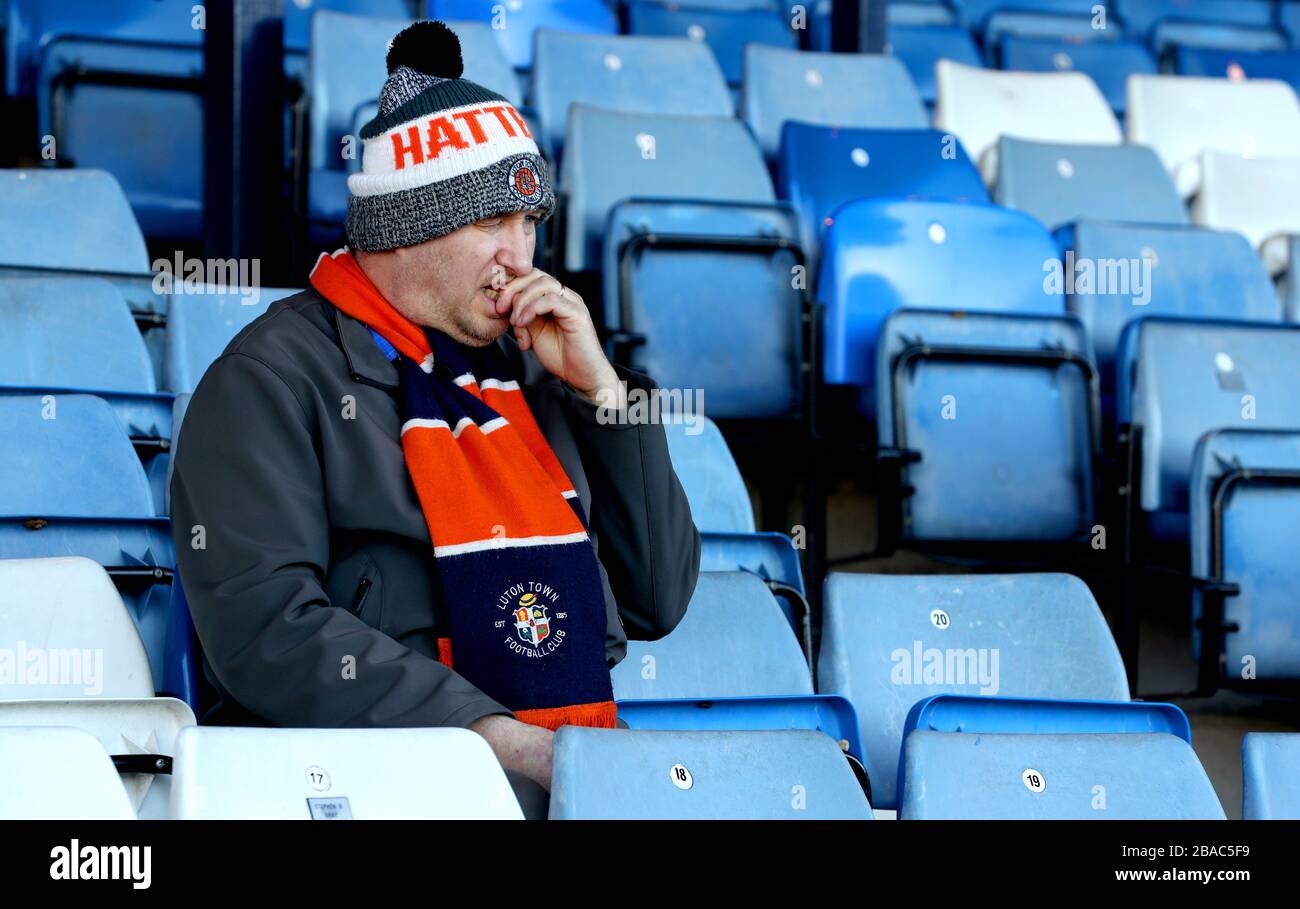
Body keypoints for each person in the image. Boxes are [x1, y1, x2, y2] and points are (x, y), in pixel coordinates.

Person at [170, 20, 700, 818]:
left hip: (561, 782)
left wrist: (605, 400)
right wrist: (491, 737)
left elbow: (656, 600)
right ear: (405, 227)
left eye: (530, 225)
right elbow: (264, 630)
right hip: (362, 791)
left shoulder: (533, 370)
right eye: (491, 222)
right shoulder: (267, 379)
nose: (522, 258)